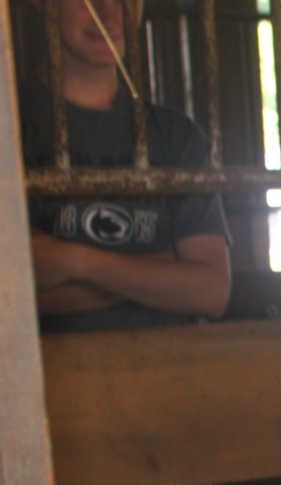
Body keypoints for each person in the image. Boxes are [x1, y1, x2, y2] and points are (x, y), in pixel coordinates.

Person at [14, 0, 231, 333]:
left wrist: (76, 262)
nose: (108, 11)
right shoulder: (11, 131)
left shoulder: (175, 137)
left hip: (171, 372)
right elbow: (9, 299)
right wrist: (160, 271)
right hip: (48, 379)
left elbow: (210, 290)